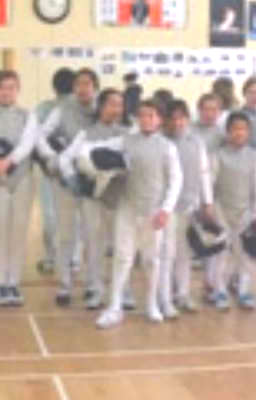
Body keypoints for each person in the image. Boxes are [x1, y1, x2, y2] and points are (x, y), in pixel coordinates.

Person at [77, 100, 182, 328]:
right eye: (142, 115)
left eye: (151, 115)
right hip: (128, 208)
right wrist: (93, 166)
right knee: (122, 257)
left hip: (154, 211)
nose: (146, 119)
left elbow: (176, 180)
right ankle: (114, 307)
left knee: (151, 260)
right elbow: (88, 148)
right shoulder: (125, 141)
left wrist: (166, 209)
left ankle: (152, 304)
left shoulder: (167, 147)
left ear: (159, 119)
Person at [0, 70, 41, 307]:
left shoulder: (28, 115)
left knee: (18, 232)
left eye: (11, 87)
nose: (6, 92)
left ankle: (14, 282)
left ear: (18, 89)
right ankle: (0, 283)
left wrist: (10, 161)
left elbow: (28, 143)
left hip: (22, 178)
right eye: (2, 87)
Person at [64, 88, 131, 310]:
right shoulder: (86, 133)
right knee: (94, 243)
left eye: (119, 105)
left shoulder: (128, 134)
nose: (116, 109)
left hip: (119, 196)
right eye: (111, 104)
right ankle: (95, 288)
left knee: (122, 245)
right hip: (92, 197)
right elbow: (66, 159)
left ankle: (123, 290)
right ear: (101, 106)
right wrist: (73, 179)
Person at [38, 68, 98, 307]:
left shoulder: (102, 109)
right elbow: (41, 135)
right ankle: (64, 285)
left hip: (93, 181)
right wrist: (52, 158)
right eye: (79, 84)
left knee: (93, 235)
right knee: (66, 234)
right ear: (73, 88)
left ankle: (92, 285)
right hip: (65, 179)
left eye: (87, 83)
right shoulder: (61, 110)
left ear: (95, 87)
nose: (83, 88)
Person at [208, 113, 256, 310]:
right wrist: (209, 209)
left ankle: (243, 290)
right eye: (235, 129)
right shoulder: (217, 156)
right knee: (221, 253)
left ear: (248, 132)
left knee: (244, 254)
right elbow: (210, 184)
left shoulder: (255, 157)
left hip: (245, 212)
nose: (239, 133)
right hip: (221, 210)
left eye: (243, 129)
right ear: (228, 132)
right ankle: (219, 291)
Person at [161, 100, 214, 314]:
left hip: (189, 204)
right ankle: (164, 297)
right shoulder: (161, 141)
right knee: (166, 253)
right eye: (173, 118)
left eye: (181, 118)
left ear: (187, 119)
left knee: (184, 253)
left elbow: (204, 173)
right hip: (165, 207)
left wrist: (207, 201)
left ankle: (182, 294)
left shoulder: (196, 142)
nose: (177, 123)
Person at [33, 68, 77, 277]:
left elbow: (35, 139)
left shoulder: (43, 108)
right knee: (74, 216)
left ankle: (51, 258)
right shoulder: (81, 109)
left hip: (50, 170)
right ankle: (73, 260)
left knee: (51, 215)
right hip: (72, 171)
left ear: (54, 86)